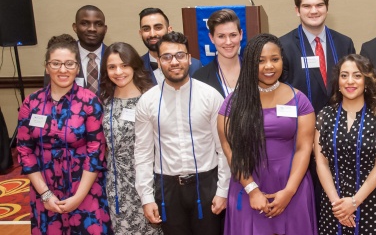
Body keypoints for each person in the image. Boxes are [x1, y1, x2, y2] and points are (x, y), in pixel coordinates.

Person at [218, 33, 317, 234]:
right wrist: (252, 189)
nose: (269, 66)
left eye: (275, 59)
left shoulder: (300, 100)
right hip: (247, 186)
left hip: (292, 185)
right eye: (260, 61)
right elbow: (230, 149)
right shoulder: (233, 102)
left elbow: (304, 148)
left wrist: (289, 192)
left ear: (283, 60)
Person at [17, 34, 112, 234]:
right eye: (56, 63)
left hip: (84, 187)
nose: (62, 70)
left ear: (77, 67)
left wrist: (78, 197)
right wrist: (45, 194)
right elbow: (25, 151)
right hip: (45, 187)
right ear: (46, 66)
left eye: (69, 64)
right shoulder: (31, 103)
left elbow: (96, 151)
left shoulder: (90, 102)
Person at [135, 32, 228, 235]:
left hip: (206, 185)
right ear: (159, 61)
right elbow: (142, 154)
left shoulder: (210, 96)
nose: (174, 62)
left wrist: (223, 190)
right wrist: (147, 197)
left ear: (188, 58)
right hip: (168, 188)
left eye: (179, 55)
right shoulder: (147, 101)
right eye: (167, 57)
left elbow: (224, 149)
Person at [315, 54, 376, 234]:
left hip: (374, 202)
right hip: (334, 204)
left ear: (367, 81)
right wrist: (338, 205)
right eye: (344, 75)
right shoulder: (325, 116)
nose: (350, 81)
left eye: (357, 75)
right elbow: (321, 163)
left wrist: (354, 202)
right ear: (338, 81)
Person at [99, 42, 161, 234]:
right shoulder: (105, 99)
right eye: (112, 67)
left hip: (147, 180)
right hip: (116, 183)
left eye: (124, 65)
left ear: (134, 65)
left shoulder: (151, 97)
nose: (119, 71)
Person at [280, 0, 356, 113]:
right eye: (307, 6)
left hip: (339, 122)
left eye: (319, 5)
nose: (314, 11)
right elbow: (281, 92)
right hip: (300, 123)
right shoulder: (283, 46)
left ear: (327, 8)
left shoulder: (345, 43)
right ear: (297, 10)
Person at [44, 5, 108, 92]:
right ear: (75, 27)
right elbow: (49, 94)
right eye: (84, 23)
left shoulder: (114, 56)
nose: (92, 29)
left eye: (98, 24)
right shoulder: (60, 58)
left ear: (105, 29)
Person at [138, 7, 202, 84]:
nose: (152, 34)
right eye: (146, 29)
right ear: (140, 33)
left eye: (158, 28)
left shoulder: (195, 65)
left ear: (169, 30)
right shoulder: (135, 67)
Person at [193, 9, 242, 98]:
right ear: (211, 38)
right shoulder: (200, 77)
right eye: (221, 36)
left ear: (241, 34)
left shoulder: (256, 71)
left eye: (233, 35)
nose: (228, 42)